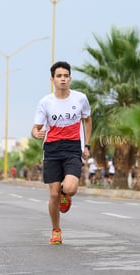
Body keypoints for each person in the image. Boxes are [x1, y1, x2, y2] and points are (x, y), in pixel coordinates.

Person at [31, 61, 92, 245]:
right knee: (53, 195)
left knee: (71, 188)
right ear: (52, 79)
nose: (63, 79)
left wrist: (87, 145)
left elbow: (88, 120)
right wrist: (37, 134)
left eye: (66, 76)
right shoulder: (45, 102)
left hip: (73, 147)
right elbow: (35, 129)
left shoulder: (80, 98)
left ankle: (66, 194)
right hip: (52, 149)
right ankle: (56, 230)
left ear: (70, 78)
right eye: (59, 76)